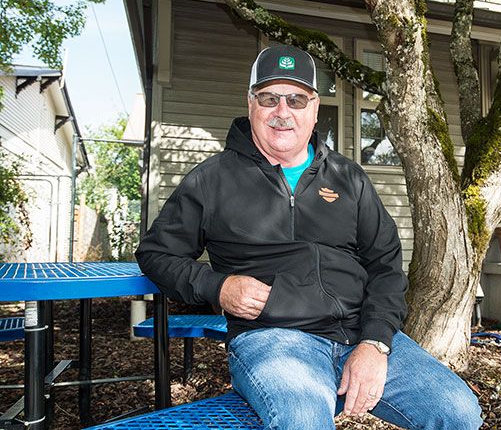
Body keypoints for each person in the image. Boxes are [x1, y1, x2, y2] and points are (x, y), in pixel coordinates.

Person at [135, 44, 482, 430]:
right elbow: (156, 254)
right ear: (251, 104)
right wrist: (218, 287)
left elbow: (385, 266)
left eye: (297, 99)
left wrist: (375, 343)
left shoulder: (349, 178)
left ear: (315, 109)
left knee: (457, 411)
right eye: (269, 98)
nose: (283, 112)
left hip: (359, 331)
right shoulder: (212, 179)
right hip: (274, 338)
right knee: (303, 420)